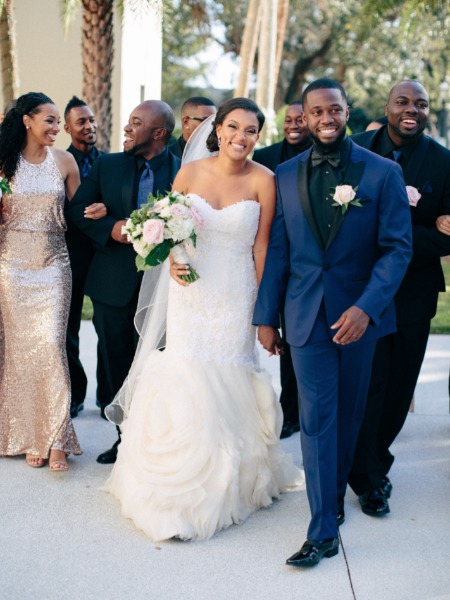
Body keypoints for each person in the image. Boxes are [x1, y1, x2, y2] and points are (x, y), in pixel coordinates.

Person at [104, 98, 304, 542]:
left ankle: (227, 482)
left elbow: (262, 247)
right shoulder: (190, 173)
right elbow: (169, 224)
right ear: (219, 129)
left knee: (228, 374)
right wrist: (172, 260)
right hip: (190, 290)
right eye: (233, 126)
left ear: (258, 136)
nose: (241, 137)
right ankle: (172, 482)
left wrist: (261, 310)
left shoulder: (264, 181)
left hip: (235, 294)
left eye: (251, 130)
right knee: (187, 370)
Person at [253, 78, 412, 567]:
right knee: (319, 420)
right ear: (304, 114)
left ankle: (334, 502)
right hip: (304, 317)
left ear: (348, 111)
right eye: (316, 111)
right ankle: (322, 527)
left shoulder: (382, 173)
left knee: (349, 416)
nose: (326, 118)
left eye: (335, 110)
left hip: (359, 318)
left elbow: (396, 249)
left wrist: (366, 307)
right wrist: (265, 318)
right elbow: (278, 251)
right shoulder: (284, 172)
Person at [348, 80, 450, 517]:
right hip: (357, 292)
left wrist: (396, 240)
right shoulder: (353, 151)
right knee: (364, 385)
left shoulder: (444, 163)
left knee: (397, 389)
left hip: (413, 293)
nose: (412, 109)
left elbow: (447, 240)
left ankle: (374, 463)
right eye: (403, 101)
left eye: (421, 104)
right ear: (387, 106)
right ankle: (367, 477)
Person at [69, 100, 180, 464]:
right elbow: (78, 210)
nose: (127, 128)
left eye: (136, 123)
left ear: (159, 133)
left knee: (158, 364)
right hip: (112, 286)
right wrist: (110, 226)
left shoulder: (184, 172)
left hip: (165, 289)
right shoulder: (107, 165)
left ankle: (156, 439)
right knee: (117, 362)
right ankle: (124, 439)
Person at [0, 92, 82, 470]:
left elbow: (78, 216)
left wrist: (96, 212)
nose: (56, 127)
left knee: (50, 346)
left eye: (56, 121)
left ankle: (57, 437)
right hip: (11, 264)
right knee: (19, 351)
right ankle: (30, 433)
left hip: (53, 264)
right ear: (26, 121)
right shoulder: (4, 165)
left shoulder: (65, 161)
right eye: (48, 120)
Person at [253, 100, 312, 439]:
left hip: (305, 262)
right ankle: (289, 413)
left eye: (299, 118)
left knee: (298, 343)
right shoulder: (266, 157)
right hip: (275, 257)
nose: (294, 124)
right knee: (285, 345)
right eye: (288, 119)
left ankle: (299, 408)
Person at [64, 95, 112, 419]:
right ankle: (75, 394)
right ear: (67, 128)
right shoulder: (57, 161)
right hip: (69, 257)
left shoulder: (110, 162)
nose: (89, 126)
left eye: (92, 120)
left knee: (106, 327)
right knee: (68, 329)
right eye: (81, 121)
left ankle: (108, 396)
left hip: (105, 257)